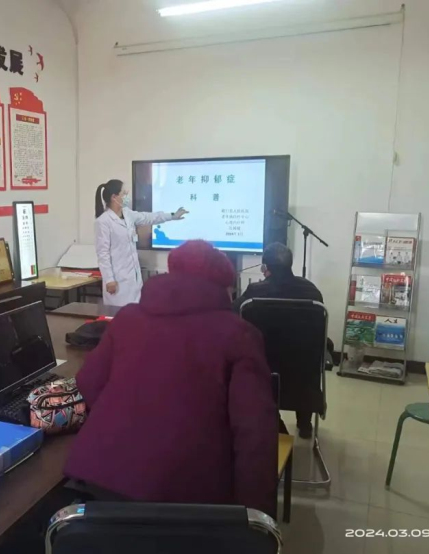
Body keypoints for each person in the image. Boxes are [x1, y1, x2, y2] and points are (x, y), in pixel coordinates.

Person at [65, 240, 278, 517]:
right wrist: (256, 518)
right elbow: (255, 434)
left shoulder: (128, 318)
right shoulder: (239, 334)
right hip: (186, 501)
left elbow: (88, 382)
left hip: (98, 483)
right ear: (224, 288)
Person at [233, 242, 331, 439]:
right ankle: (305, 423)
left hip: (264, 375)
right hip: (303, 381)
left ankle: (271, 420)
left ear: (264, 268)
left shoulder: (254, 293)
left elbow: (232, 315)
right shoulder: (311, 291)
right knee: (303, 354)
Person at [95, 179, 188, 307]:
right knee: (119, 315)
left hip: (133, 279)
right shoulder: (103, 221)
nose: (127, 196)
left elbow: (148, 217)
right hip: (117, 280)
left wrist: (172, 216)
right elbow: (103, 254)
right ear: (114, 197)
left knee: (135, 313)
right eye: (124, 193)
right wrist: (109, 280)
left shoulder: (127, 214)